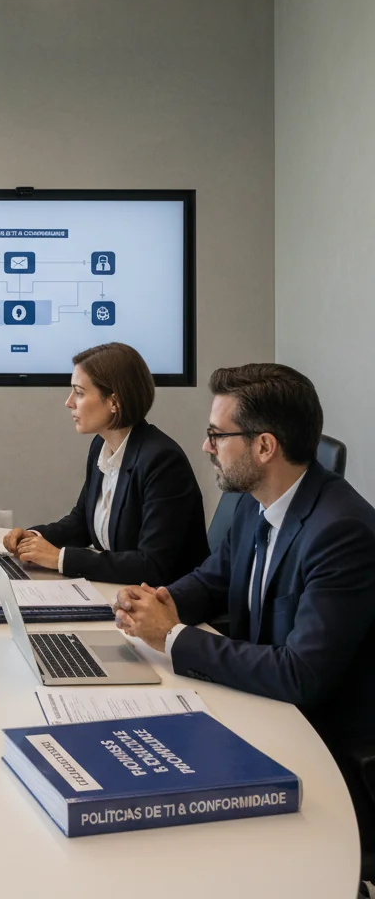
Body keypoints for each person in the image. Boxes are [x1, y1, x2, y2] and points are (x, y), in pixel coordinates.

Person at [113, 363, 375, 871]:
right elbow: (215, 578)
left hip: (325, 750)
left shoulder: (342, 533)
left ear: (264, 447)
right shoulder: (256, 503)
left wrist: (173, 637)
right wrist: (158, 601)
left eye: (217, 435)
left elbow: (302, 675)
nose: (207, 447)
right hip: (261, 712)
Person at [3, 342, 208, 584]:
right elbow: (82, 523)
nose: (68, 402)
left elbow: (153, 565)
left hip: (165, 607)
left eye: (79, 392)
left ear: (114, 402)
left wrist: (60, 558)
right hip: (118, 594)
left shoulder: (162, 462)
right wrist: (34, 537)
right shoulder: (101, 446)